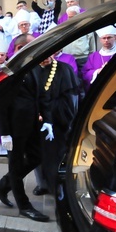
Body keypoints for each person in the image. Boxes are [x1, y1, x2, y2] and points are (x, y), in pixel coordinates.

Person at [0, 59, 55, 222]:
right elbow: (1, 103)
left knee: (36, 157)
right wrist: (4, 132)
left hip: (32, 125)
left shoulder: (35, 69)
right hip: (13, 129)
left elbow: (42, 96)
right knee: (15, 165)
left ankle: (2, 185)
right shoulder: (7, 73)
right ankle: (24, 206)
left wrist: (47, 120)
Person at [32, 55, 79, 196]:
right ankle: (43, 184)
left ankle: (59, 186)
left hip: (59, 122)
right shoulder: (33, 71)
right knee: (39, 156)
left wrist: (50, 115)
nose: (45, 58)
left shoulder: (64, 70)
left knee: (57, 156)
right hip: (38, 122)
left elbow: (71, 98)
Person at [81, 24, 116, 94]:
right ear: (100, 40)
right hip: (98, 91)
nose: (106, 40)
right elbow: (85, 74)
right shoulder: (93, 56)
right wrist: (98, 71)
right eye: (104, 38)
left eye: (109, 37)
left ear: (115, 37)